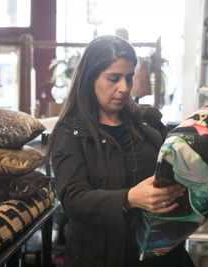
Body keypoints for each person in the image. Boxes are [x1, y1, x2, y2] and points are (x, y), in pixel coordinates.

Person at [48, 35, 194, 267]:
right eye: (113, 79)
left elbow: (181, 169)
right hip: (101, 257)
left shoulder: (149, 122)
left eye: (128, 77)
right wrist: (129, 198)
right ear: (90, 78)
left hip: (163, 256)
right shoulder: (70, 132)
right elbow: (73, 199)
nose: (124, 88)